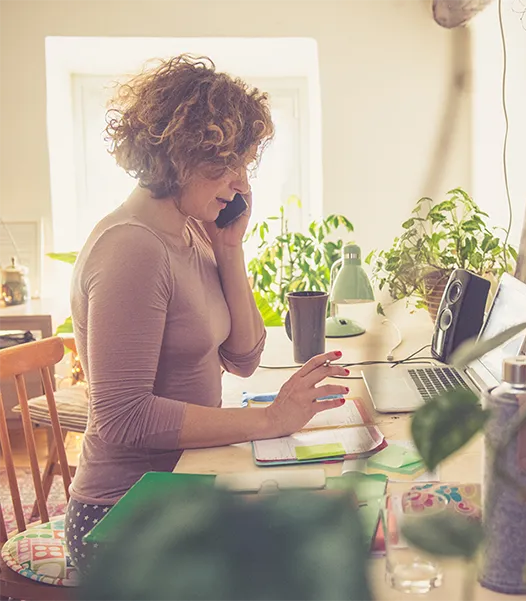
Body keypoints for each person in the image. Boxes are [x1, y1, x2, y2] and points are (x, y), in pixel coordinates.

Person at [64, 54, 348, 572]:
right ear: (178, 155)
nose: (241, 182)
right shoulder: (132, 248)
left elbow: (243, 358)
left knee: (337, 519)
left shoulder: (193, 231)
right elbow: (122, 415)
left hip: (186, 489)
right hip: (124, 517)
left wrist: (230, 249)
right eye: (227, 163)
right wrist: (268, 419)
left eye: (245, 162)